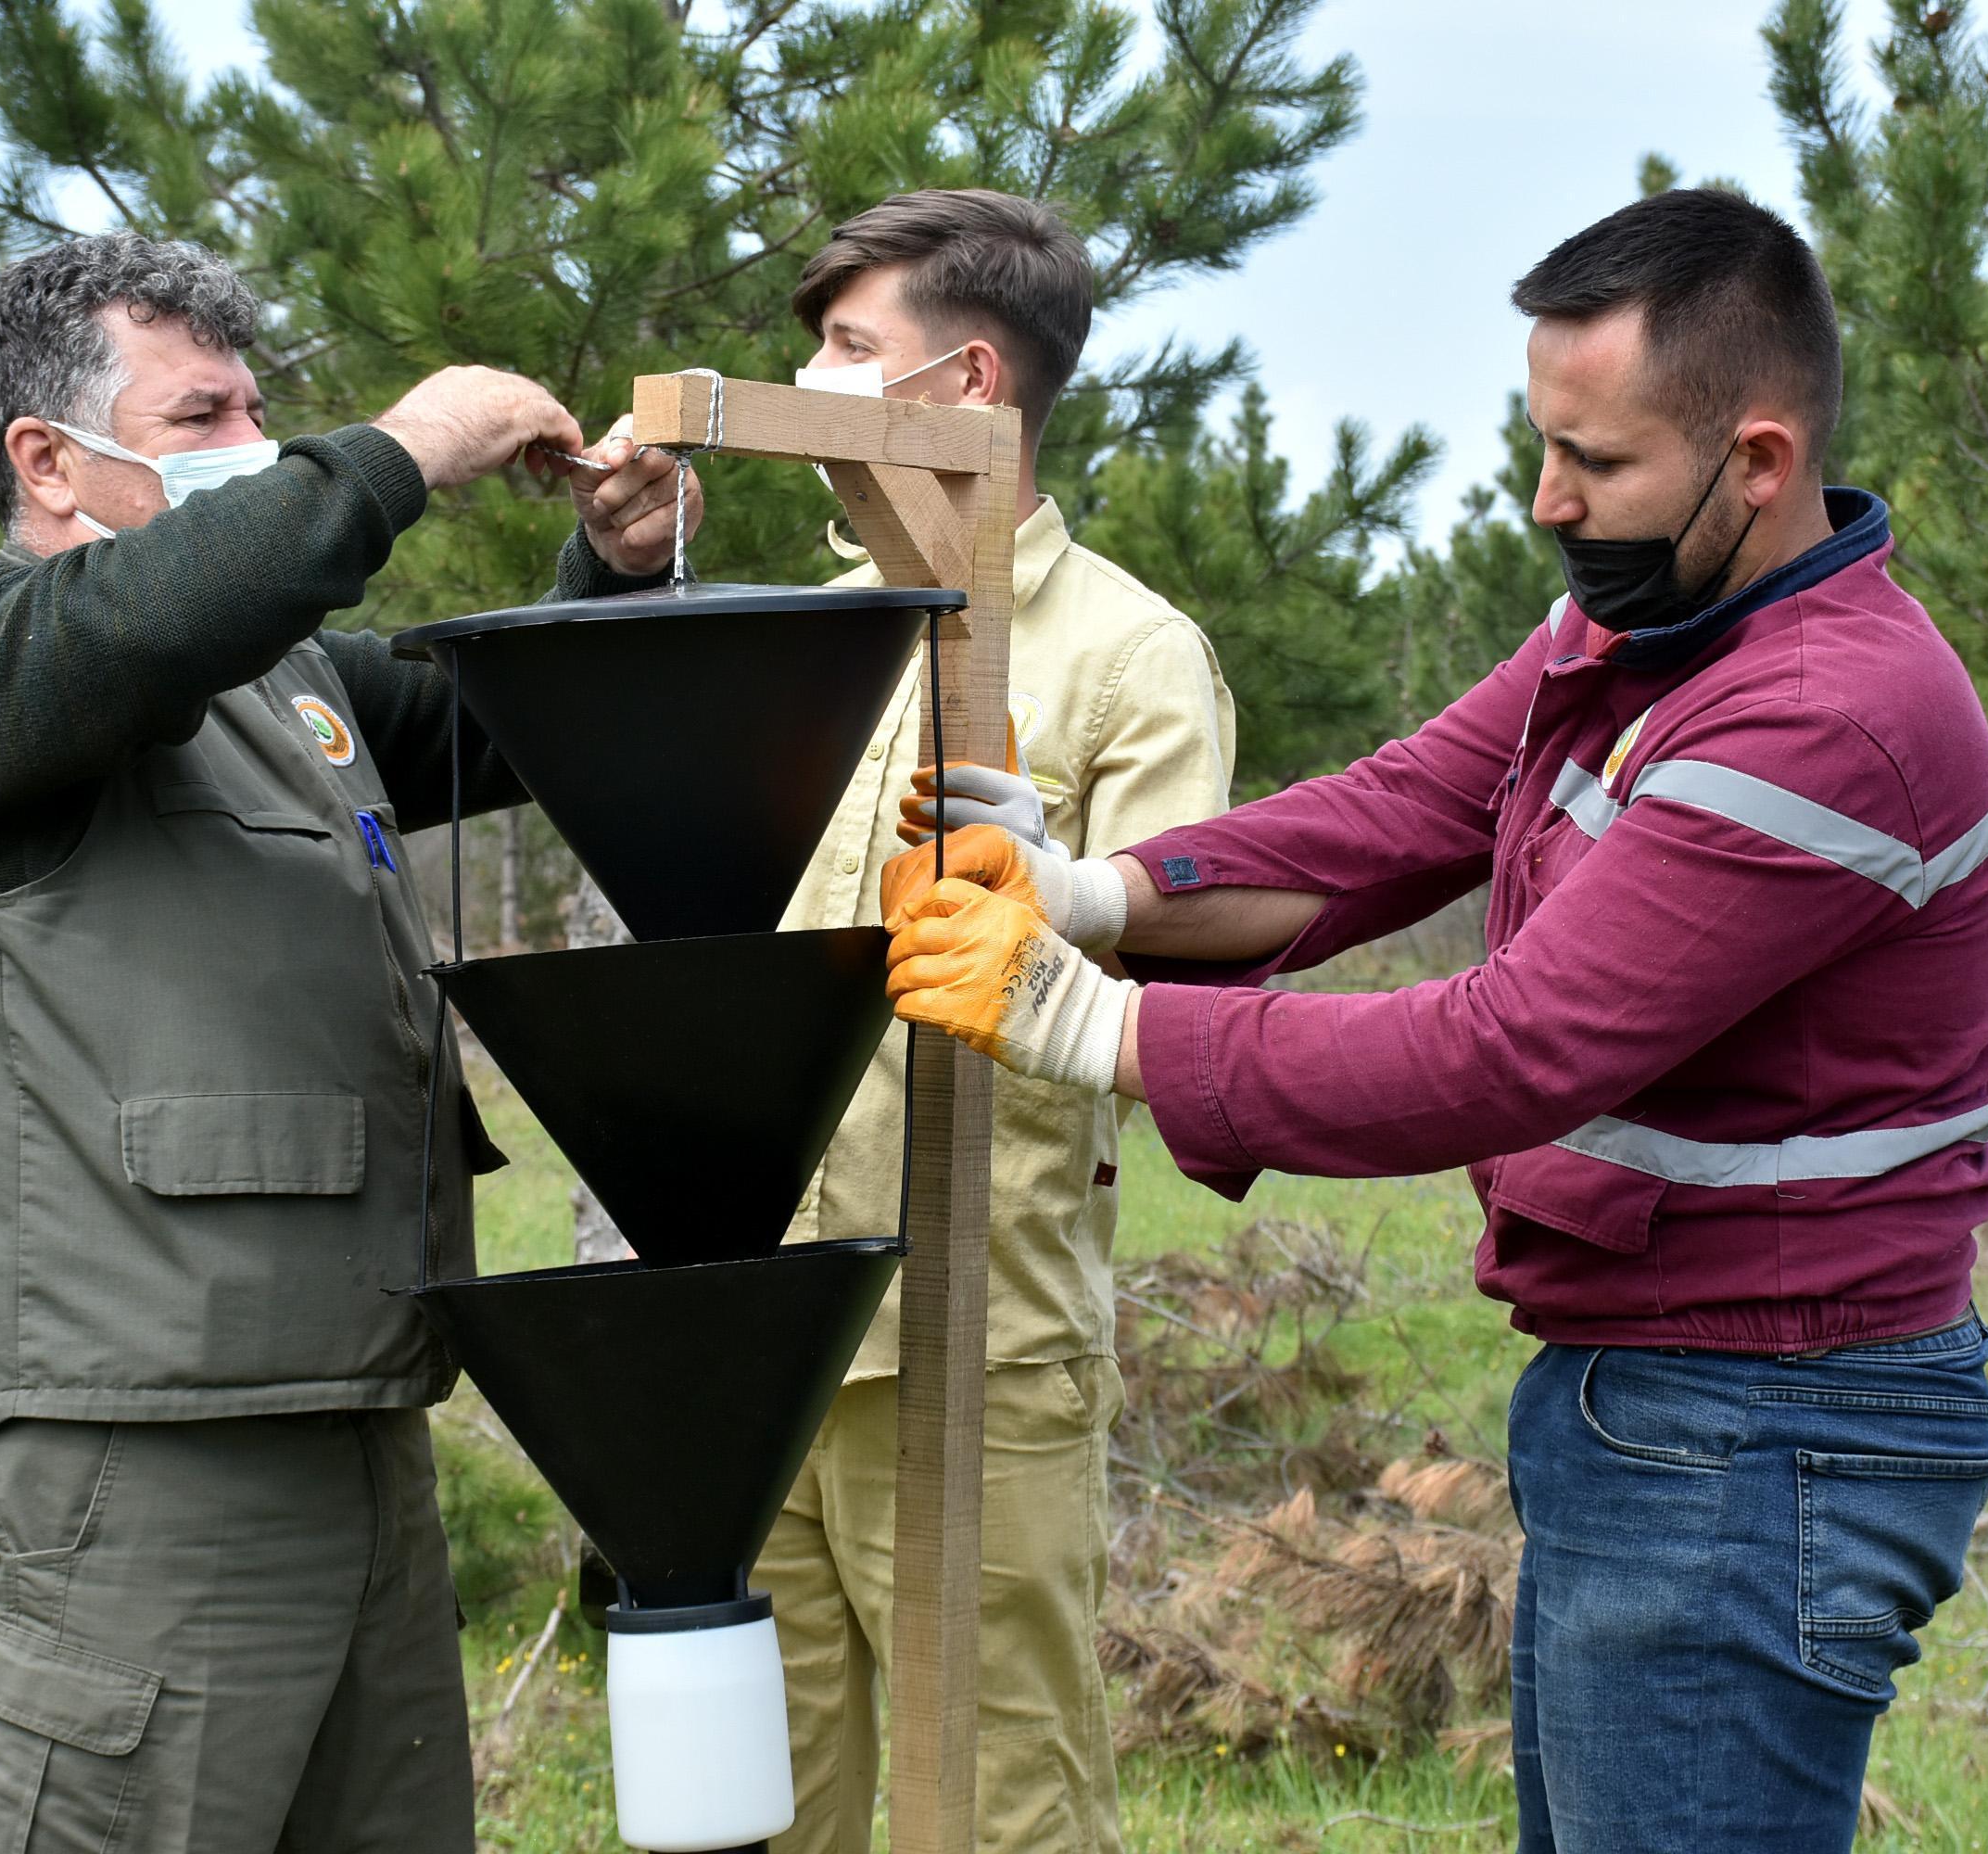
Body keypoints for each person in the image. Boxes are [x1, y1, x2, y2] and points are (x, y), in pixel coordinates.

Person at [884, 189, 1988, 1854]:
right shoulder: (1644, 631)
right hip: (1662, 1405)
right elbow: (1411, 804)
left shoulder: (1825, 720)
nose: (1550, 499)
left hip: (1768, 1435)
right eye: (1541, 441)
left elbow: (1510, 1048)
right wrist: (1102, 893)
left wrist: (1093, 1028)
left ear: (1758, 464)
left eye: (1601, 462)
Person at [0, 230, 696, 1853]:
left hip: (356, 1416)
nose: (253, 446)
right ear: (49, 458)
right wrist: (401, 454)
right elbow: (150, 625)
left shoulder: (288, 685)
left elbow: (509, 724)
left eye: (261, 409)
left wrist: (614, 567)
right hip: (121, 1462)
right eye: (202, 417)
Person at [754, 188, 1235, 1854]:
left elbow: (1182, 987)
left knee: (999, 1807)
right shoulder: (814, 637)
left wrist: (1067, 891)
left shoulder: (1129, 656)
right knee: (758, 1794)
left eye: (847, 350)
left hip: (972, 1335)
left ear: (967, 386)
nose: (807, 379)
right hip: (760, 1328)